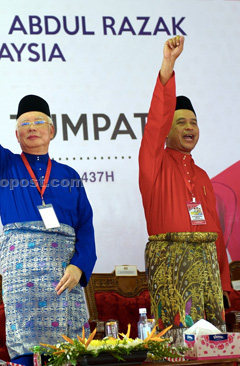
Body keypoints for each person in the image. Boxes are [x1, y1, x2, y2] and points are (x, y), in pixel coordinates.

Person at [0, 62, 97, 365]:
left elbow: (85, 226)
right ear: (17, 135)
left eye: (38, 122)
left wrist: (80, 266)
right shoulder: (4, 165)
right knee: (28, 353)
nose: (31, 127)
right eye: (24, 124)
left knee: (71, 352)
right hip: (24, 281)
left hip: (64, 275)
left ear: (51, 130)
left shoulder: (69, 175)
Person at [139, 36, 231, 345]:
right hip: (172, 269)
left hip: (207, 275)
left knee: (215, 346)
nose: (189, 127)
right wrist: (168, 65)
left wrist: (225, 285)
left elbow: (215, 233)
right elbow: (156, 122)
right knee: (180, 347)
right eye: (181, 122)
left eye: (194, 121)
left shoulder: (203, 175)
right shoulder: (154, 163)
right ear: (168, 129)